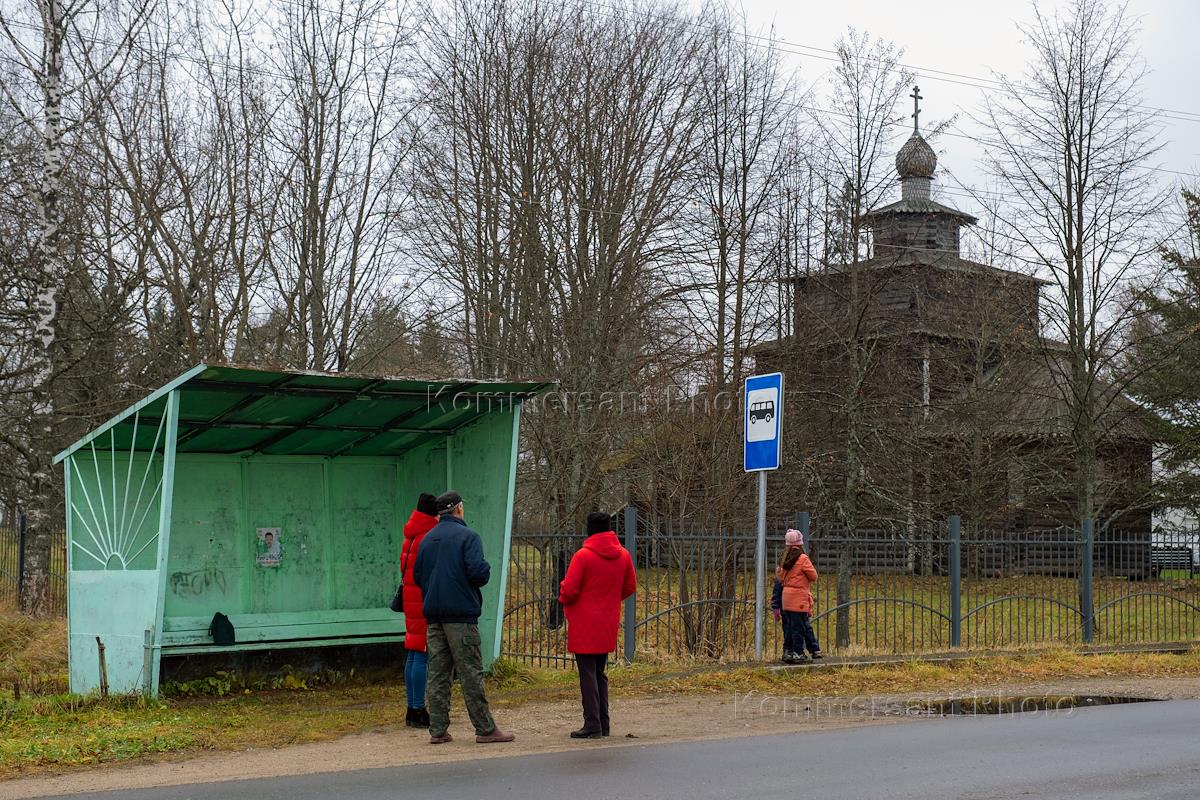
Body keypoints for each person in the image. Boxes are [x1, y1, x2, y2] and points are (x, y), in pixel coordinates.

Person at [413, 490, 515, 745]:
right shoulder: (469, 537)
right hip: (461, 616)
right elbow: (479, 574)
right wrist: (485, 567)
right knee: (470, 673)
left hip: (434, 616)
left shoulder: (427, 539)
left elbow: (418, 576)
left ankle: (438, 729)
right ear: (458, 508)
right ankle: (485, 728)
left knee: (438, 673)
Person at [558, 511, 637, 739]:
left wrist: (563, 595)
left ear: (590, 528)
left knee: (587, 673)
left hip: (584, 621)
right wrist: (609, 600)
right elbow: (630, 586)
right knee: (600, 672)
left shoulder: (583, 556)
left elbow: (569, 589)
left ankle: (592, 723)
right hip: (608, 620)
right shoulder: (623, 555)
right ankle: (604, 723)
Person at [400, 492, 439, 728]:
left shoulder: (411, 533)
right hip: (422, 599)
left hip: (409, 598)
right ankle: (418, 709)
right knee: (422, 654)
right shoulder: (428, 535)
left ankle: (411, 708)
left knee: (414, 653)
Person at [775, 529, 821, 664]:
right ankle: (798, 653)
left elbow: (779, 577)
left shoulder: (783, 558)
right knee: (799, 627)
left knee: (789, 626)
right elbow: (814, 576)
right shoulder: (802, 558)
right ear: (800, 543)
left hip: (786, 597)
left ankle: (787, 652)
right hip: (798, 598)